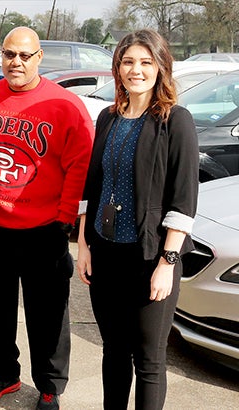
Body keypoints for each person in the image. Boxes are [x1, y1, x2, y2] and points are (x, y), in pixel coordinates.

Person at [0, 26, 94, 410]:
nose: (16, 62)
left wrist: (64, 219)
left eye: (25, 55)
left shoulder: (65, 105)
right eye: (9, 54)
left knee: (48, 316)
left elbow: (80, 166)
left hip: (44, 229)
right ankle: (4, 372)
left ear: (40, 57)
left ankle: (49, 386)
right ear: (1, 56)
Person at [77, 29, 198, 410]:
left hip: (150, 258)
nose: (136, 70)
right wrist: (83, 245)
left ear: (161, 67)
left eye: (146, 62)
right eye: (128, 61)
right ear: (117, 68)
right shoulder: (108, 118)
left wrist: (168, 263)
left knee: (149, 360)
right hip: (106, 254)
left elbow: (183, 200)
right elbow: (92, 187)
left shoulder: (175, 121)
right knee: (113, 353)